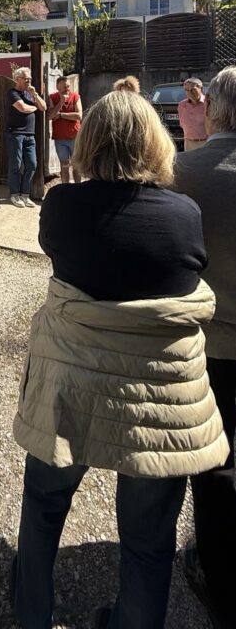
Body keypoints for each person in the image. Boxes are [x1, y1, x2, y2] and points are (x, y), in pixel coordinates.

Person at [12, 91, 228, 629]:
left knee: (43, 510)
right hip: (159, 397)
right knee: (149, 543)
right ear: (155, 142)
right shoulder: (184, 213)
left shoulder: (62, 205)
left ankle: (32, 612)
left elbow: (59, 254)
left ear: (89, 140)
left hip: (72, 383)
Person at [173, 66, 236, 629]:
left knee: (216, 462)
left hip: (209, 341)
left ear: (212, 110)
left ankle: (217, 574)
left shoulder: (182, 172)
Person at [5, 68, 46, 208]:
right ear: (17, 79)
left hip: (30, 135)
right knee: (15, 165)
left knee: (32, 164)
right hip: (15, 134)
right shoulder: (12, 93)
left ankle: (25, 195)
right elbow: (23, 108)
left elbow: (44, 107)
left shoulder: (30, 94)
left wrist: (35, 95)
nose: (29, 81)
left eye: (30, 78)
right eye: (26, 78)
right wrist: (35, 107)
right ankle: (14, 194)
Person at [47, 76, 82, 184]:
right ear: (58, 87)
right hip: (60, 139)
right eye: (64, 87)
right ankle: (65, 188)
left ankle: (78, 188)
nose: (67, 89)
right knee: (64, 165)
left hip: (75, 137)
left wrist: (61, 115)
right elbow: (50, 116)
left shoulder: (75, 96)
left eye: (68, 86)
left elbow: (79, 116)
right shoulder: (52, 98)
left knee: (76, 164)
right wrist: (61, 103)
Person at [178, 77, 207, 150]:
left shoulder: (209, 103)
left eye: (193, 90)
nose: (190, 93)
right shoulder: (182, 105)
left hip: (206, 143)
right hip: (188, 143)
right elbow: (182, 124)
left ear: (201, 89)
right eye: (187, 90)